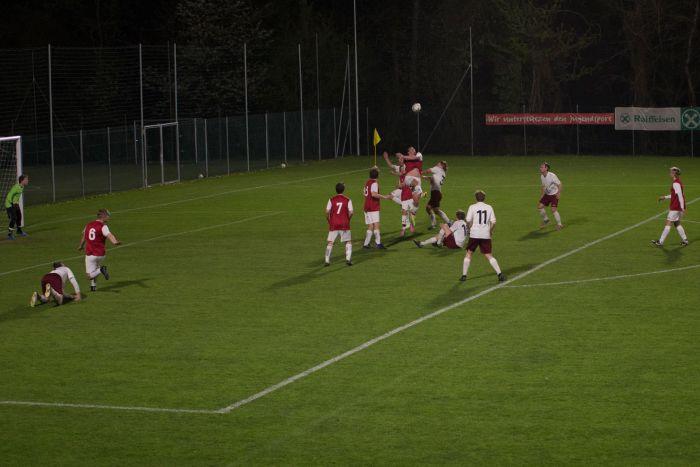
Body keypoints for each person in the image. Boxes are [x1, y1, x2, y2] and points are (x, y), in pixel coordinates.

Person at [460, 190, 506, 282]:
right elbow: (493, 222)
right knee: (488, 255)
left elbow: (468, 220)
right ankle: (500, 274)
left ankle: (464, 276)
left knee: (469, 253)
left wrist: (469, 228)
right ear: (484, 198)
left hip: (474, 234)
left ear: (476, 198)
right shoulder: (489, 207)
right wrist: (490, 231)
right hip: (485, 235)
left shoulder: (472, 207)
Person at [78, 209, 121, 291]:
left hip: (90, 254)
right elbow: (110, 235)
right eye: (108, 216)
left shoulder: (88, 225)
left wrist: (81, 246)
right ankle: (93, 287)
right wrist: (115, 242)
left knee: (89, 276)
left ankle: (101, 270)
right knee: (95, 270)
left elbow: (84, 237)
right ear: (103, 217)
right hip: (101, 254)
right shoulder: (103, 226)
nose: (109, 217)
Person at [652, 166, 688, 247]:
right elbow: (675, 195)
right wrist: (665, 197)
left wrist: (682, 208)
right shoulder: (678, 182)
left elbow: (680, 196)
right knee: (677, 223)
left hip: (676, 207)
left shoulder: (676, 183)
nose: (669, 173)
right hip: (678, 206)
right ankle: (685, 240)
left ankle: (660, 242)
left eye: (671, 172)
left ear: (674, 173)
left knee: (668, 223)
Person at [325, 182, 354, 266]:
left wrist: (329, 220)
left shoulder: (331, 199)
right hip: (344, 223)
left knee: (330, 242)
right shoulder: (348, 200)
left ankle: (327, 260)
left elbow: (327, 211)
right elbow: (351, 212)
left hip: (334, 223)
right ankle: (348, 259)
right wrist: (348, 219)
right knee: (348, 241)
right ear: (343, 190)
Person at [363, 167, 391, 249]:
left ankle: (366, 244)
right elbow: (374, 194)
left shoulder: (367, 182)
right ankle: (378, 243)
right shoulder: (374, 183)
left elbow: (364, 193)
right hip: (373, 207)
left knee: (370, 226)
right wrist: (384, 197)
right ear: (378, 176)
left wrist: (374, 169)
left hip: (366, 206)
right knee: (376, 225)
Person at [423, 161, 450, 229]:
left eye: (439, 163)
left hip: (435, 193)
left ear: (441, 165)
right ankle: (448, 222)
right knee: (434, 210)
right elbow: (432, 179)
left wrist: (420, 172)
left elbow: (428, 171)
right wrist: (423, 177)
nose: (437, 163)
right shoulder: (442, 172)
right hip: (438, 193)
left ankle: (434, 223)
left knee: (429, 208)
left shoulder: (437, 169)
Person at [537, 162, 563, 230]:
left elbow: (560, 184)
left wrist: (558, 193)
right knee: (540, 207)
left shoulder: (552, 175)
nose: (540, 168)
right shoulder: (542, 176)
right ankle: (546, 220)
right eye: (540, 167)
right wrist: (542, 195)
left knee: (553, 209)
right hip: (547, 194)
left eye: (542, 167)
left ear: (546, 168)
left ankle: (560, 224)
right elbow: (543, 186)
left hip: (554, 194)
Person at [5, 174, 29, 240]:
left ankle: (19, 231)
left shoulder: (22, 187)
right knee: (14, 218)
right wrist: (12, 204)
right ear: (22, 181)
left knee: (19, 216)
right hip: (9, 204)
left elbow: (16, 197)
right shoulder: (16, 187)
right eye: (26, 179)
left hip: (15, 204)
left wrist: (16, 203)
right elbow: (9, 196)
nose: (27, 181)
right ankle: (9, 235)